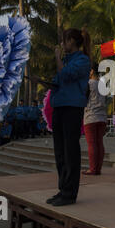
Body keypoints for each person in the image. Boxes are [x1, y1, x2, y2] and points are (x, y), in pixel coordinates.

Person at [35, 28, 91, 207]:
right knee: (60, 152)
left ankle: (70, 193)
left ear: (72, 41)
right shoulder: (67, 61)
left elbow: (65, 74)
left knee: (70, 151)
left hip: (72, 108)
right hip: (59, 106)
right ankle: (62, 188)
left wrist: (57, 56)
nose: (62, 45)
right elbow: (59, 81)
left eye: (64, 41)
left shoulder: (82, 60)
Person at [82, 63, 107, 176]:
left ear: (91, 71)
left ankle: (92, 169)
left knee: (92, 143)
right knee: (99, 143)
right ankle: (98, 168)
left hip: (91, 116)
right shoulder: (103, 85)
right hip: (102, 117)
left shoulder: (88, 84)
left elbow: (83, 99)